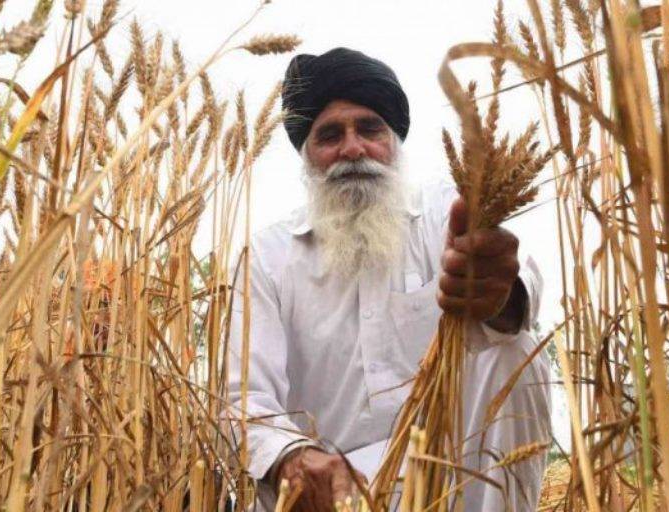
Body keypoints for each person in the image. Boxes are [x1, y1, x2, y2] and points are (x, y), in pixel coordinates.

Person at [226, 47, 550, 511]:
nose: (353, 149)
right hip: (334, 490)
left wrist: (502, 293)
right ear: (306, 155)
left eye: (370, 128)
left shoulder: (445, 209)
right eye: (330, 135)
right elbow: (242, 398)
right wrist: (291, 458)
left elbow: (523, 284)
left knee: (517, 355)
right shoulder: (266, 257)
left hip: (456, 475)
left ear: (394, 140)